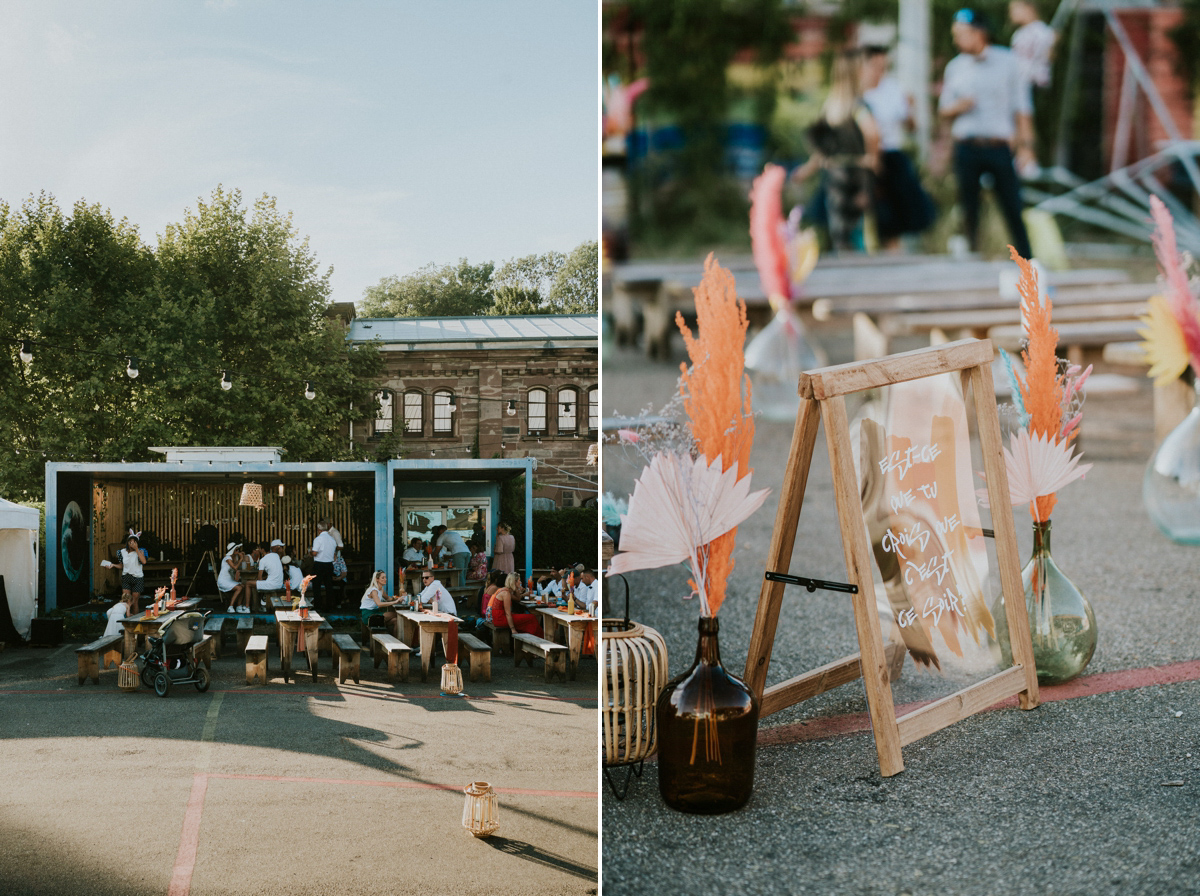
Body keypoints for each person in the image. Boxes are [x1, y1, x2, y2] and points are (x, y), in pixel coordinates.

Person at [939, 8, 1034, 260]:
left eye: (960, 34)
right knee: (969, 208)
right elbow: (943, 110)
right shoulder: (955, 67)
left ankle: (1028, 264)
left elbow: (1022, 107)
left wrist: (1026, 147)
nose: (956, 39)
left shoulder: (1008, 62)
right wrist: (958, 107)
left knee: (1012, 206)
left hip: (998, 146)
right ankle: (972, 259)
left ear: (978, 33)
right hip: (967, 146)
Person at [793, 49, 880, 253]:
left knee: (839, 230)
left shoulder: (831, 107)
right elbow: (873, 132)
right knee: (860, 230)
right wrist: (872, 157)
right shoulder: (858, 106)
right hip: (857, 176)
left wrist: (807, 169)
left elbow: (822, 147)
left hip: (835, 177)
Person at [860, 44, 936, 248]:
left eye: (884, 66)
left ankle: (893, 253)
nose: (880, 71)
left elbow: (911, 127)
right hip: (863, 159)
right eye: (875, 66)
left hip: (890, 158)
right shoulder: (855, 93)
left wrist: (911, 110)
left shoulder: (893, 89)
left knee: (893, 215)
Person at [1009, 0, 1057, 166]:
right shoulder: (1018, 34)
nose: (1011, 13)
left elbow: (1049, 56)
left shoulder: (1043, 32)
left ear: (1028, 8)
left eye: (1014, 8)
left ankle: (1031, 158)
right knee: (1017, 119)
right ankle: (1021, 157)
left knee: (1028, 120)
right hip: (1019, 85)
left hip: (1035, 83)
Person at [416, 568, 458, 663]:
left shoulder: (434, 585)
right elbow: (420, 595)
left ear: (432, 578)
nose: (424, 580)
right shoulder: (430, 586)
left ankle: (427, 649)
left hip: (449, 614)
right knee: (423, 621)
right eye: (423, 578)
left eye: (426, 577)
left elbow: (423, 599)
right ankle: (426, 647)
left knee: (427, 624)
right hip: (441, 612)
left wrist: (416, 600)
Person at [486, 572, 543, 638]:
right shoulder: (506, 593)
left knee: (528, 617)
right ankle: (538, 638)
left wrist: (517, 589)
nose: (520, 582)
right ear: (514, 582)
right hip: (500, 619)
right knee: (531, 617)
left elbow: (518, 599)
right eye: (519, 580)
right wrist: (513, 629)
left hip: (498, 618)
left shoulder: (505, 590)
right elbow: (508, 613)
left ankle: (533, 637)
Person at [104, 532, 148, 612]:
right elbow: (122, 566)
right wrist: (113, 565)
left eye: (134, 541)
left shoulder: (141, 551)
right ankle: (127, 620)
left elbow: (144, 562)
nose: (132, 543)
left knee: (135, 601)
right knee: (126, 601)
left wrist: (136, 549)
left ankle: (135, 621)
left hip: (137, 578)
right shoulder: (122, 552)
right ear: (127, 542)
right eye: (130, 541)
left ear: (137, 543)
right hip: (126, 577)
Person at [309, 521, 337, 612]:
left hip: (319, 564)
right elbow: (334, 554)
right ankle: (330, 606)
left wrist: (310, 552)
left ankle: (318, 606)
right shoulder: (332, 539)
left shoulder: (318, 539)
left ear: (319, 529)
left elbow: (315, 553)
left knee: (316, 586)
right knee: (329, 585)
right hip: (329, 564)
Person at [217, 541, 247, 614]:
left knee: (243, 586)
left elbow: (239, 566)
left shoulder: (234, 558)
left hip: (229, 580)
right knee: (239, 588)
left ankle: (239, 606)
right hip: (223, 581)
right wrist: (241, 558)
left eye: (238, 549)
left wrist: (242, 558)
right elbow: (235, 568)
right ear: (232, 551)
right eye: (236, 550)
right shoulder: (227, 558)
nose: (238, 551)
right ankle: (230, 607)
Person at [256, 539, 286, 608]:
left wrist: (260, 587)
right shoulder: (276, 556)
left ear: (262, 549)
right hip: (279, 584)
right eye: (280, 547)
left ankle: (250, 607)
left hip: (273, 585)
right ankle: (263, 599)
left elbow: (259, 577)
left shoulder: (263, 560)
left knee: (249, 584)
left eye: (259, 549)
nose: (258, 550)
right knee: (262, 580)